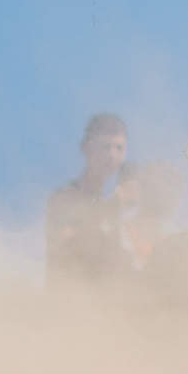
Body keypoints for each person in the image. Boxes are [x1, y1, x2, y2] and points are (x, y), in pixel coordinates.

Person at [46, 112, 136, 291]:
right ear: (86, 148)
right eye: (105, 147)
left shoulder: (123, 203)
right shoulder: (66, 199)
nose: (112, 155)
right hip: (75, 302)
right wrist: (109, 211)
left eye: (119, 148)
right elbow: (63, 252)